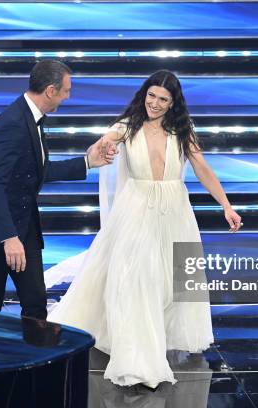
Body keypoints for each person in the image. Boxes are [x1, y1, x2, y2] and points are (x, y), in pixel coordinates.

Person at [46, 70, 242, 389]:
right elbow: (102, 146)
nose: (155, 103)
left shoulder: (182, 131)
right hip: (135, 212)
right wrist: (102, 150)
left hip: (175, 212)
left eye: (163, 99)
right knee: (138, 280)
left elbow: (202, 168)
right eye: (151, 95)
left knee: (171, 282)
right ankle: (139, 355)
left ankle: (157, 338)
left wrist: (226, 204)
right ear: (144, 95)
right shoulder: (126, 126)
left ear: (173, 103)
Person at [0, 60, 116, 320]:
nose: (68, 96)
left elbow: (38, 171)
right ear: (51, 90)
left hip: (24, 226)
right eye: (66, 90)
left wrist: (88, 161)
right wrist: (8, 237)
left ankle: (38, 359)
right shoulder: (13, 124)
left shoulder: (32, 118)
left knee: (35, 302)